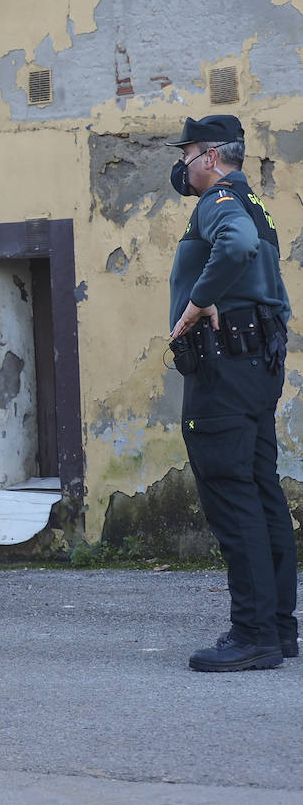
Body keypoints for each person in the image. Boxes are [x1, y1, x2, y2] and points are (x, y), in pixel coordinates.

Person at [165, 114, 296, 671]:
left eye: (189, 152)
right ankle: (279, 629)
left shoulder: (219, 204)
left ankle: (252, 635)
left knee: (231, 492)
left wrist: (199, 300)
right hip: (258, 363)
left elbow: (235, 246)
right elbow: (275, 292)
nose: (183, 164)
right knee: (262, 493)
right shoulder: (256, 205)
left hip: (225, 370)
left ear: (212, 156)